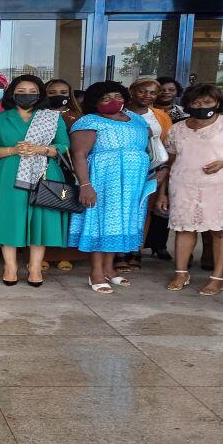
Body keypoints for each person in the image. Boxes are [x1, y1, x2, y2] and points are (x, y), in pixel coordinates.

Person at [157, 84, 223, 296]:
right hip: (183, 185)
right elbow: (169, 161)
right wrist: (162, 192)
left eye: (207, 102)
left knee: (221, 230)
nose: (201, 106)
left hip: (222, 187)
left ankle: (218, 277)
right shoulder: (177, 128)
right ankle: (181, 273)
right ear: (187, 104)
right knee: (184, 229)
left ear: (218, 103)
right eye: (196, 102)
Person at [0, 74, 70, 286]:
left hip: (44, 172)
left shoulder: (52, 117)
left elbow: (64, 146)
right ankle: (10, 266)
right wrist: (12, 149)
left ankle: (35, 266)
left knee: (41, 218)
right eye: (21, 92)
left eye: (32, 92)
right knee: (10, 218)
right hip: (9, 172)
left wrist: (43, 149)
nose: (26, 96)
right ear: (12, 94)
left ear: (40, 95)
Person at [68, 81, 154, 294]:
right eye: (105, 98)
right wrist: (86, 185)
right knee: (102, 223)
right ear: (95, 102)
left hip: (133, 182)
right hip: (104, 181)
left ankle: (109, 268)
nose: (113, 101)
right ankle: (96, 272)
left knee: (120, 224)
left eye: (117, 95)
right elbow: (78, 155)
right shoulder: (89, 121)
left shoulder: (136, 119)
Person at [117, 78, 173, 270]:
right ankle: (119, 251)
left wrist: (163, 171)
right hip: (123, 168)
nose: (147, 96)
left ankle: (135, 249)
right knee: (121, 209)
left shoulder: (160, 116)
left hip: (152, 169)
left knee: (144, 210)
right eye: (142, 91)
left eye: (152, 93)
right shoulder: (119, 112)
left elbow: (166, 144)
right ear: (131, 91)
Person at [42, 78, 85, 271]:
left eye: (63, 92)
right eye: (52, 93)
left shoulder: (78, 117)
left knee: (67, 211)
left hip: (72, 170)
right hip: (48, 168)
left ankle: (63, 254)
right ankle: (43, 254)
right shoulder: (40, 115)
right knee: (46, 209)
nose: (58, 96)